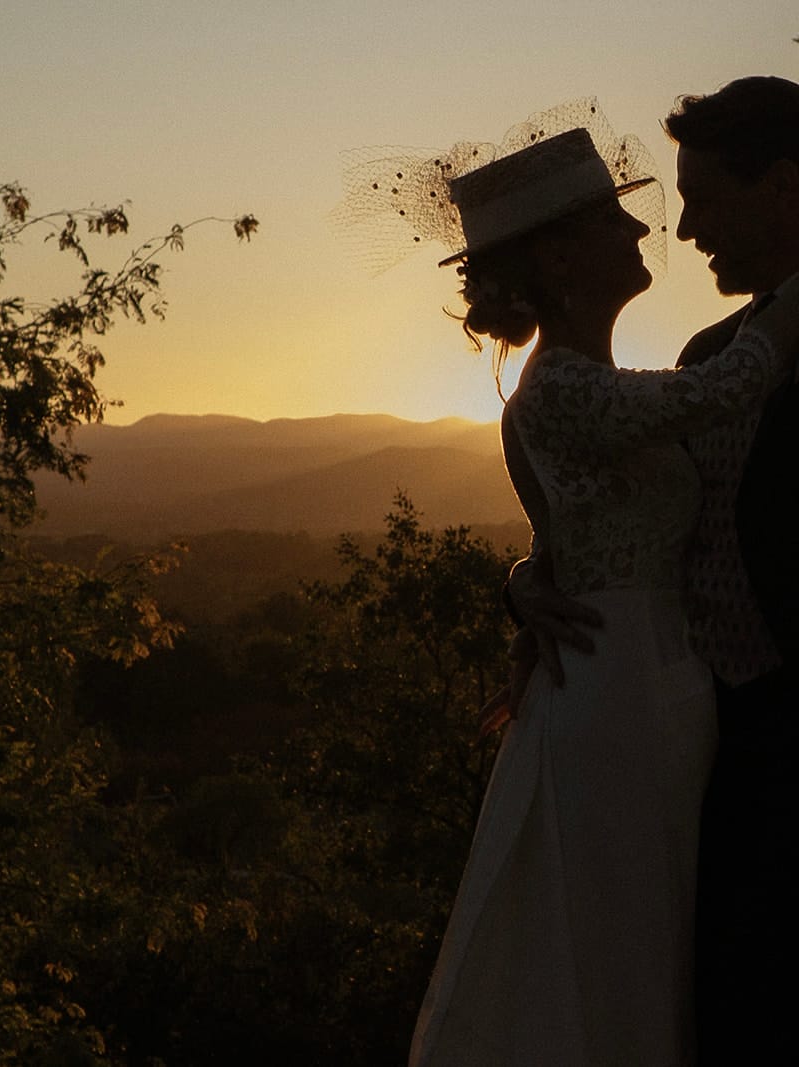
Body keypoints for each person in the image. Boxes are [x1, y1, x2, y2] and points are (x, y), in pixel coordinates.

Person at [335, 101, 799, 1066]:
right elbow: (644, 478)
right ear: (555, 260)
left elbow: (610, 522)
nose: (657, 231)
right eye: (618, 218)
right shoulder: (694, 365)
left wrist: (530, 576)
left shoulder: (630, 380)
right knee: (635, 942)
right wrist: (533, 580)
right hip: (643, 699)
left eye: (695, 199)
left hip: (683, 701)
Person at [505, 77, 799, 1064]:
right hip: (705, 732)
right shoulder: (712, 352)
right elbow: (625, 512)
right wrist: (532, 572)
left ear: (786, 190)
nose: (680, 228)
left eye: (705, 199)